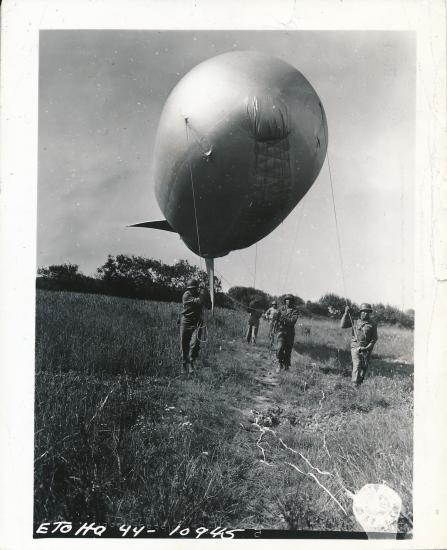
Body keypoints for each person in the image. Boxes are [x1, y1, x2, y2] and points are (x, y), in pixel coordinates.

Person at [340, 303, 378, 386]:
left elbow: (374, 338)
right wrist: (346, 313)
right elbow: (342, 325)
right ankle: (354, 384)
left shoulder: (373, 324)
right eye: (364, 311)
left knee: (364, 367)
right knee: (357, 364)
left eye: (368, 312)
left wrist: (368, 347)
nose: (365, 313)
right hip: (355, 347)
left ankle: (360, 382)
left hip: (367, 348)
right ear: (360, 312)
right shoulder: (354, 321)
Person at [180, 278, 209, 375]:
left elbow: (209, 304)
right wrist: (202, 293)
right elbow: (199, 301)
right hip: (186, 321)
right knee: (184, 343)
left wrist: (206, 291)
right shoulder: (186, 295)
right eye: (191, 288)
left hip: (197, 322)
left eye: (194, 288)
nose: (192, 290)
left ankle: (191, 362)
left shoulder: (199, 294)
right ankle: (184, 364)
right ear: (188, 288)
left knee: (195, 343)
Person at [276, 295, 300, 372]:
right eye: (287, 299)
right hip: (281, 331)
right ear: (285, 300)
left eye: (290, 300)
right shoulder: (281, 309)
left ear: (292, 301)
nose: (288, 301)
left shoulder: (295, 310)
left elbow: (293, 321)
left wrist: (284, 318)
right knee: (280, 348)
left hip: (290, 333)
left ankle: (286, 366)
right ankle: (280, 364)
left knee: (288, 351)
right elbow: (276, 319)